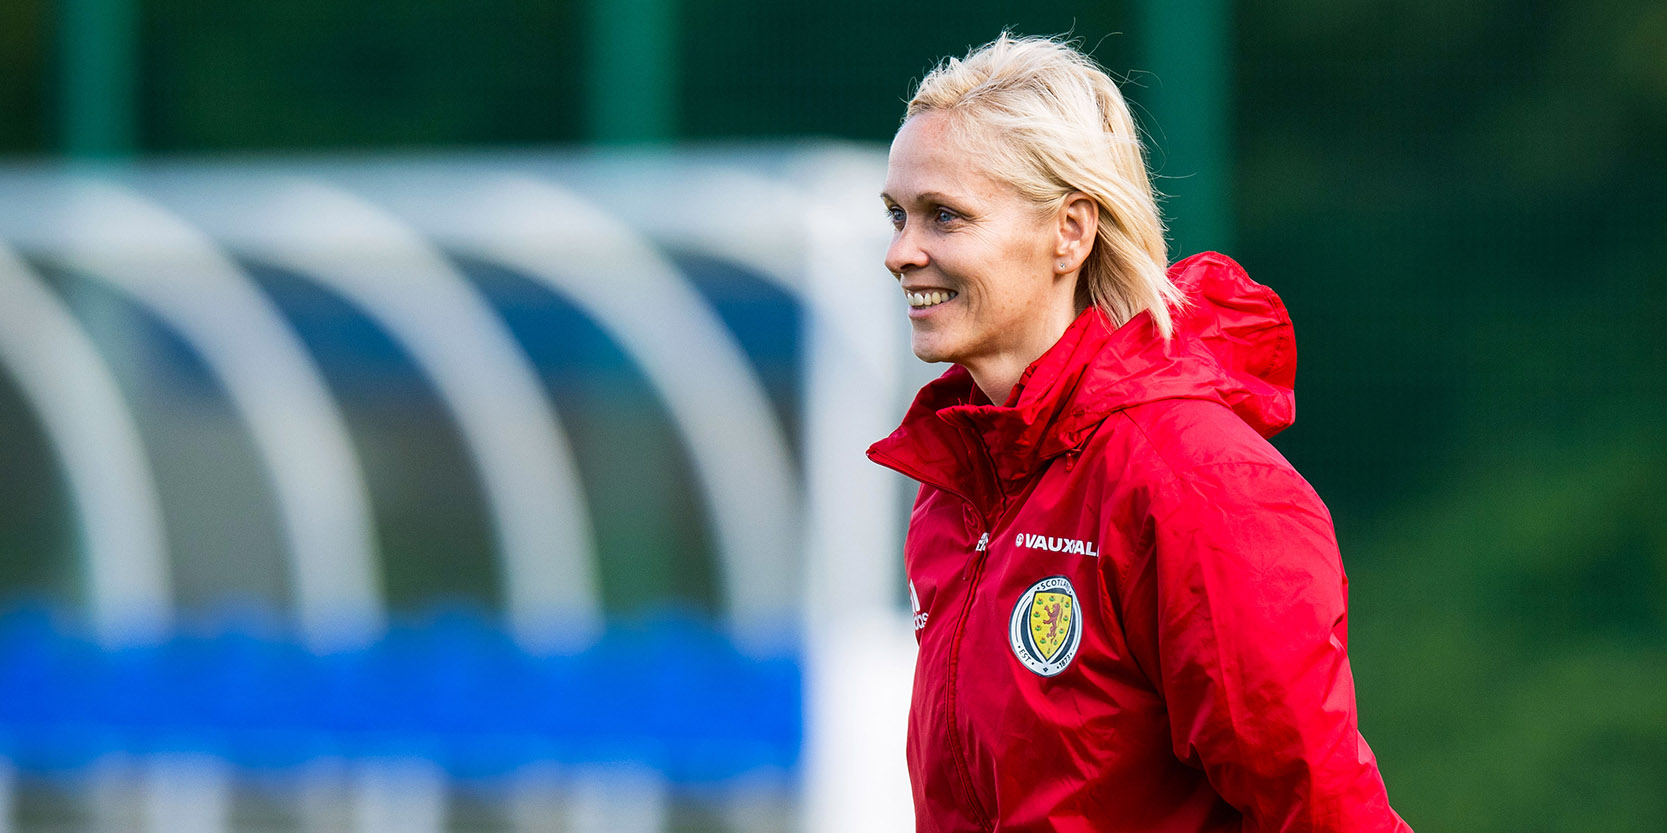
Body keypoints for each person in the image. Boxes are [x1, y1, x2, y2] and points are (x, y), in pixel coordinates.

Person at [866, 33, 1414, 833]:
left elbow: (1320, 808)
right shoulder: (958, 484)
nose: (899, 253)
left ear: (1070, 231)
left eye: (942, 216)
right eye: (897, 216)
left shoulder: (1197, 480)